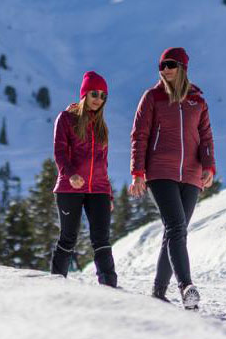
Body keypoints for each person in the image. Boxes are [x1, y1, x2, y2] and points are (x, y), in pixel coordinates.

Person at [129, 47, 215, 308]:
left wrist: (209, 167)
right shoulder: (152, 97)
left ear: (183, 67)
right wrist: (138, 173)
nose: (165, 69)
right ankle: (186, 287)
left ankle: (158, 291)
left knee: (175, 231)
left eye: (170, 64)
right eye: (162, 65)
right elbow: (139, 135)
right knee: (176, 227)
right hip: (160, 171)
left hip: (191, 174)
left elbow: (206, 137)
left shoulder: (197, 101)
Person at [50, 71, 118, 287]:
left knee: (101, 239)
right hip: (69, 188)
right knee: (68, 238)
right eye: (94, 94)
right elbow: (60, 152)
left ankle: (110, 287)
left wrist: (109, 194)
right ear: (84, 94)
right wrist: (71, 175)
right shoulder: (66, 119)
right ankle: (55, 285)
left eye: (103, 96)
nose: (98, 99)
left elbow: (103, 164)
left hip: (98, 189)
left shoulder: (101, 126)